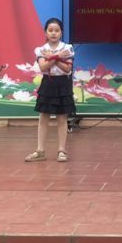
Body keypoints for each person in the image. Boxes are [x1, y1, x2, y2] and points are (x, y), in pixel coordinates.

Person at [24, 18, 75, 163]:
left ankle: (62, 150)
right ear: (45, 32)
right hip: (48, 83)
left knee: (62, 118)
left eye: (57, 30)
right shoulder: (41, 50)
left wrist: (51, 58)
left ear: (61, 32)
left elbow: (67, 68)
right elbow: (43, 67)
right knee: (43, 117)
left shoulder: (67, 48)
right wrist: (58, 57)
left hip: (63, 84)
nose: (53, 33)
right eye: (50, 30)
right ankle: (40, 151)